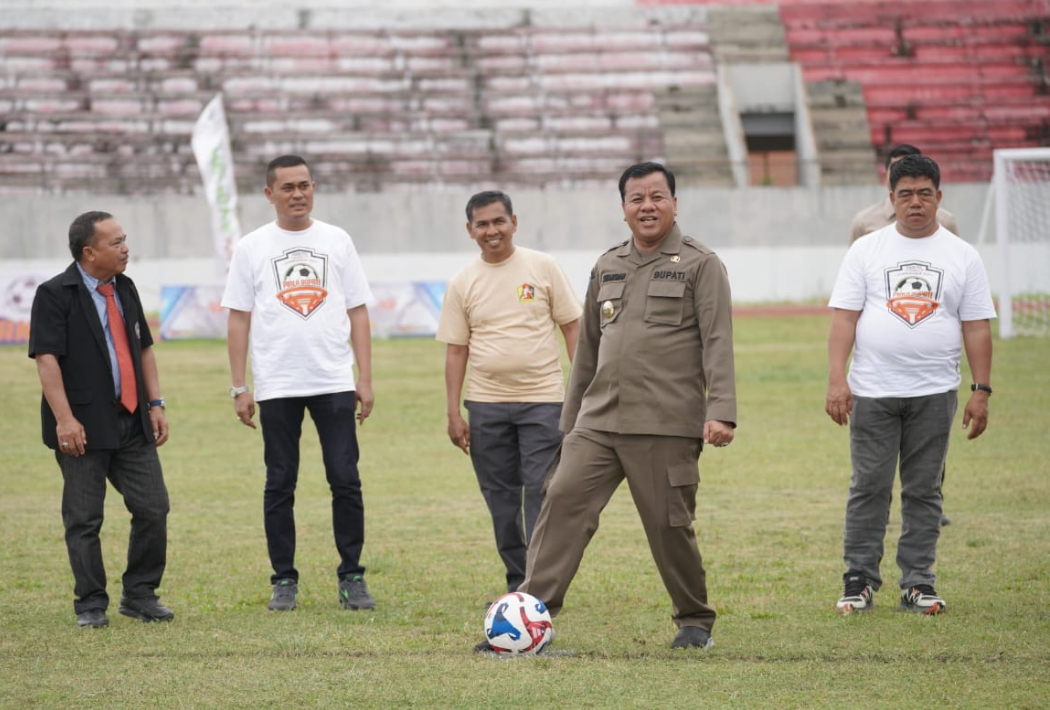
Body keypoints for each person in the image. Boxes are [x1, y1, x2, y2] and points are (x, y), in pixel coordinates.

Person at [478, 162, 737, 652]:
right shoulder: (608, 264)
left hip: (664, 422)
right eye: (636, 199)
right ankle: (527, 621)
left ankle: (694, 620)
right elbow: (588, 351)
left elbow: (718, 341)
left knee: (668, 525)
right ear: (623, 209)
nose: (647, 206)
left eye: (657, 197)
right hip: (597, 421)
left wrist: (720, 410)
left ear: (675, 204)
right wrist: (570, 422)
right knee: (561, 504)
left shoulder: (701, 264)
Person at [826, 154, 995, 616]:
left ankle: (918, 583)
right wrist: (837, 380)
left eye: (925, 194)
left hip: (936, 392)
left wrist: (981, 390)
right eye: (905, 195)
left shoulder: (962, 255)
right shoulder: (866, 250)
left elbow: (977, 325)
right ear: (891, 199)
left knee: (925, 491)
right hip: (872, 391)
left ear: (939, 198)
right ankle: (858, 581)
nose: (915, 203)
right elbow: (845, 319)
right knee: (869, 487)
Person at [221, 155, 376, 612]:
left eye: (305, 185)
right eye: (287, 187)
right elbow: (238, 317)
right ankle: (283, 579)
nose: (298, 194)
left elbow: (358, 310)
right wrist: (238, 385)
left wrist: (364, 377)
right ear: (269, 194)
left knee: (345, 478)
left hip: (332, 380)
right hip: (277, 384)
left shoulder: (337, 240)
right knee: (280, 483)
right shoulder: (251, 247)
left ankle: (352, 576)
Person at [29, 211, 173, 628]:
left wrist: (155, 403)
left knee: (153, 508)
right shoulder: (55, 293)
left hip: (131, 420)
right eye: (116, 242)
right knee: (84, 518)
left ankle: (140, 594)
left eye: (124, 239)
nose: (126, 248)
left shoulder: (124, 287)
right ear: (89, 252)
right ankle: (90, 603)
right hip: (82, 428)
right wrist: (65, 420)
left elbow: (144, 348)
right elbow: (46, 360)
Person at [437, 191, 581, 595]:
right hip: (486, 405)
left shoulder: (543, 267)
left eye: (498, 221)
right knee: (501, 500)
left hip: (544, 401)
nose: (492, 231)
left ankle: (538, 583)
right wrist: (453, 412)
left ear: (514, 222)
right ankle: (517, 579)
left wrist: (581, 388)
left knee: (541, 492)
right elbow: (456, 349)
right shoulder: (463, 282)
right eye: (482, 224)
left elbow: (572, 327)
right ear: (470, 231)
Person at [850, 144, 958, 527]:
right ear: (889, 182)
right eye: (900, 179)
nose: (912, 196)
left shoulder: (945, 222)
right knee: (871, 472)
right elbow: (853, 296)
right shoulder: (865, 224)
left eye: (920, 187)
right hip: (878, 374)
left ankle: (931, 501)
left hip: (932, 372)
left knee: (927, 457)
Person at [849, 144, 959, 243]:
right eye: (897, 169)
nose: (915, 203)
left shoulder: (945, 221)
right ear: (885, 176)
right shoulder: (863, 222)